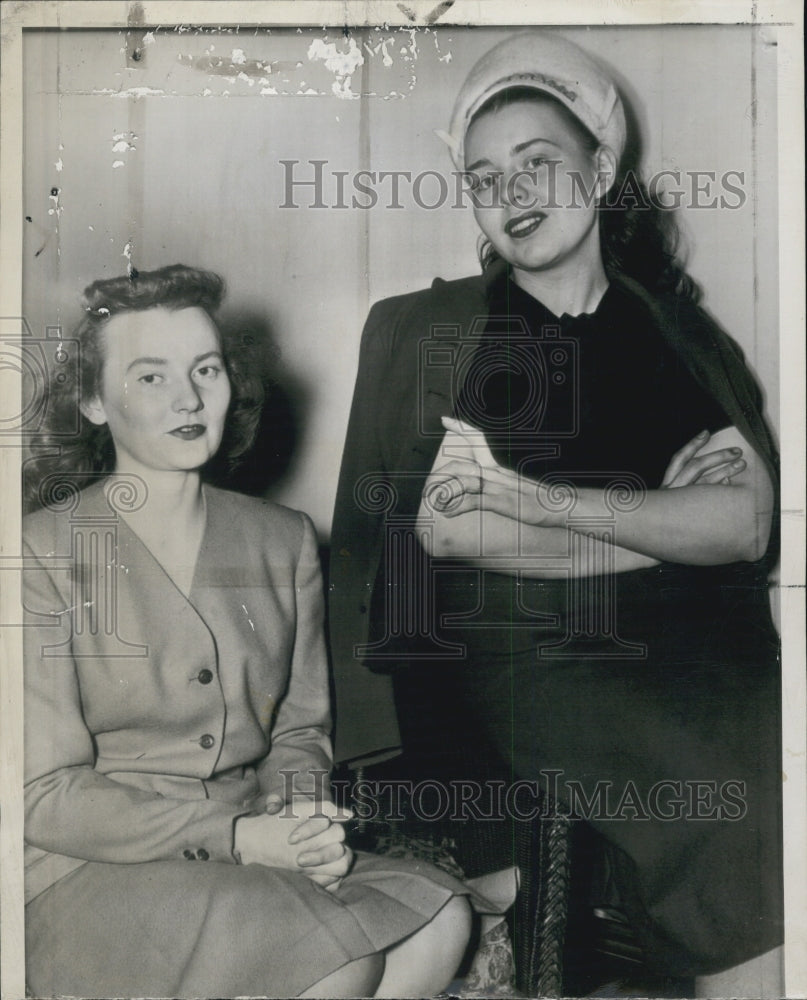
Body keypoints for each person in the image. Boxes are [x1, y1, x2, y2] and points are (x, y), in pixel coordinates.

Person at [329, 31, 782, 996]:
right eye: (486, 178)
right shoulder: (443, 331)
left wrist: (543, 502)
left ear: (602, 168)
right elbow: (456, 533)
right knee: (733, 801)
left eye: (539, 163)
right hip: (529, 653)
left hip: (706, 648)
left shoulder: (680, 337)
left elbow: (742, 529)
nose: (515, 194)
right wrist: (661, 528)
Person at [22, 263, 485, 999]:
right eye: (150, 377)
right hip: (89, 868)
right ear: (92, 401)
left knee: (439, 918)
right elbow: (42, 796)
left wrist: (296, 819)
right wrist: (236, 840)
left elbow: (299, 733)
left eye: (205, 368)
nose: (188, 397)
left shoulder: (282, 540)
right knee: (336, 957)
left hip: (245, 846)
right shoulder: (39, 555)